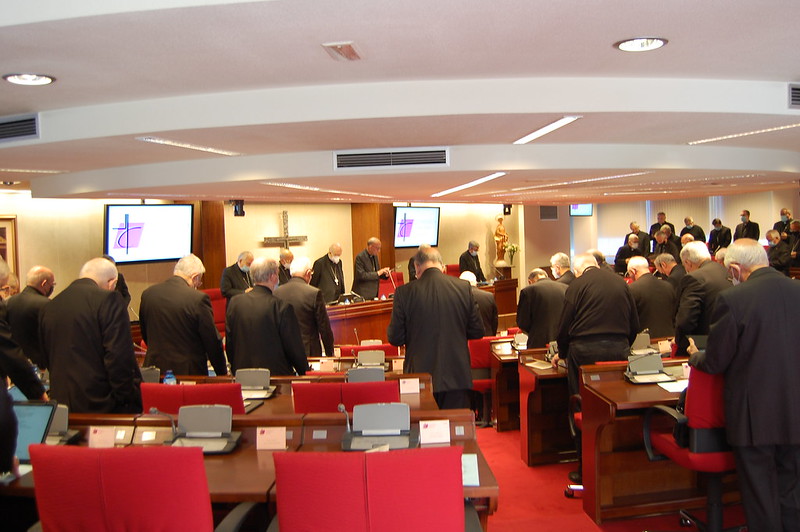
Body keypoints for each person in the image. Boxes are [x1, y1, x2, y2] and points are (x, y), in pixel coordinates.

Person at [688, 239, 800, 532]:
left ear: (736, 269)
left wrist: (695, 356)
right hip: (795, 409)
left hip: (754, 415)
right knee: (792, 492)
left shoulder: (733, 299)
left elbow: (716, 360)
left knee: (760, 494)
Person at [40, 257, 142, 413]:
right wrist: (126, 399)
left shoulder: (51, 305)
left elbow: (46, 356)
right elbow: (118, 357)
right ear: (112, 283)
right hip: (102, 404)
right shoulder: (110, 300)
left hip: (61, 403)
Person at [388, 245, 484, 409]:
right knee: (456, 424)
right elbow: (477, 331)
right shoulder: (463, 288)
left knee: (423, 423)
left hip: (419, 377)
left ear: (417, 266)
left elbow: (395, 338)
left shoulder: (404, 293)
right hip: (457, 375)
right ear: (441, 265)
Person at [554, 253, 639, 397]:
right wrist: (624, 344)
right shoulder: (621, 283)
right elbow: (634, 322)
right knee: (617, 394)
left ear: (577, 271)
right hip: (618, 348)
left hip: (584, 350)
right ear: (596, 265)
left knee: (583, 397)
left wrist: (562, 353)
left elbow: (564, 325)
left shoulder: (577, 285)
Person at [140, 254, 227, 376]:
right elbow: (212, 341)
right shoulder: (198, 299)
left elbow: (146, 334)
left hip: (155, 370)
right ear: (195, 277)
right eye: (199, 282)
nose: (198, 285)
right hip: (188, 372)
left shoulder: (148, 294)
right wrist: (222, 373)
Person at [225, 257, 308, 375]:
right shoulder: (281, 307)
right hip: (276, 376)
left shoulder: (235, 303)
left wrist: (234, 368)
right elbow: (294, 348)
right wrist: (304, 372)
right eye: (277, 274)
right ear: (273, 277)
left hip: (242, 373)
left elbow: (230, 342)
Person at [0, 259, 48, 402]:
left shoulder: (9, 303)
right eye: (3, 288)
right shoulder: (46, 305)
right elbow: (9, 353)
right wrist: (39, 394)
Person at [673, 241, 731, 358]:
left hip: (702, 346)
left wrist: (679, 342)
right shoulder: (727, 272)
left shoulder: (694, 278)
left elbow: (686, 319)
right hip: (729, 340)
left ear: (687, 263)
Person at [274, 256, 335, 357]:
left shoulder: (277, 292)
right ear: (308, 273)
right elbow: (324, 328)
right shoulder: (314, 293)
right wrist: (330, 353)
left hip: (284, 352)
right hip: (308, 351)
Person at [6, 265, 55, 370]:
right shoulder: (46, 305)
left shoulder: (8, 302)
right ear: (44, 283)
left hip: (13, 362)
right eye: (52, 284)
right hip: (41, 365)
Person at [516, 268, 567, 349]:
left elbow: (522, 322)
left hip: (539, 342)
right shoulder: (565, 288)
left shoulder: (528, 291)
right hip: (563, 342)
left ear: (530, 281)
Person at [626, 256, 676, 338]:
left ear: (633, 271)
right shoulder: (668, 286)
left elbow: (629, 319)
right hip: (668, 337)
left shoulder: (631, 289)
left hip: (644, 339)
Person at [459, 271, 498, 337]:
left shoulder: (458, 299)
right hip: (487, 338)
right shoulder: (489, 296)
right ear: (476, 282)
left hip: (466, 339)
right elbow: (494, 322)